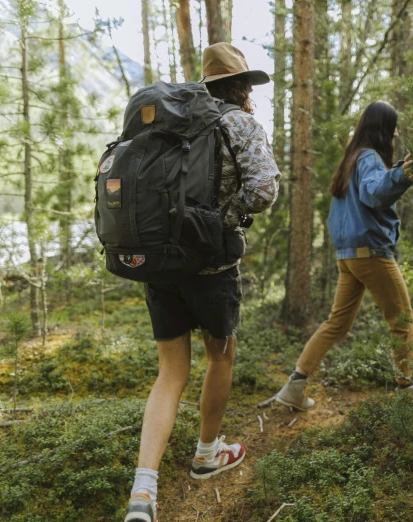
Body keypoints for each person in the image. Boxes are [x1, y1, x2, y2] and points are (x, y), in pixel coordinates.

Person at [125, 43, 280, 522]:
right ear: (241, 86)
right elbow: (264, 190)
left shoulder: (169, 124)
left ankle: (142, 493)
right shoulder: (238, 123)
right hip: (211, 268)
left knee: (170, 373)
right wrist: (217, 222)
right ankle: (207, 453)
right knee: (221, 355)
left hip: (160, 264)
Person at [273, 101, 413, 412]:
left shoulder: (352, 158)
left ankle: (294, 386)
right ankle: (407, 393)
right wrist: (403, 175)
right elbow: (373, 193)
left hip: (349, 256)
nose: (396, 132)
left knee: (337, 323)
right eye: (393, 126)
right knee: (402, 320)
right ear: (383, 128)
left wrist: (396, 172)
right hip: (370, 253)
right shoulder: (368, 158)